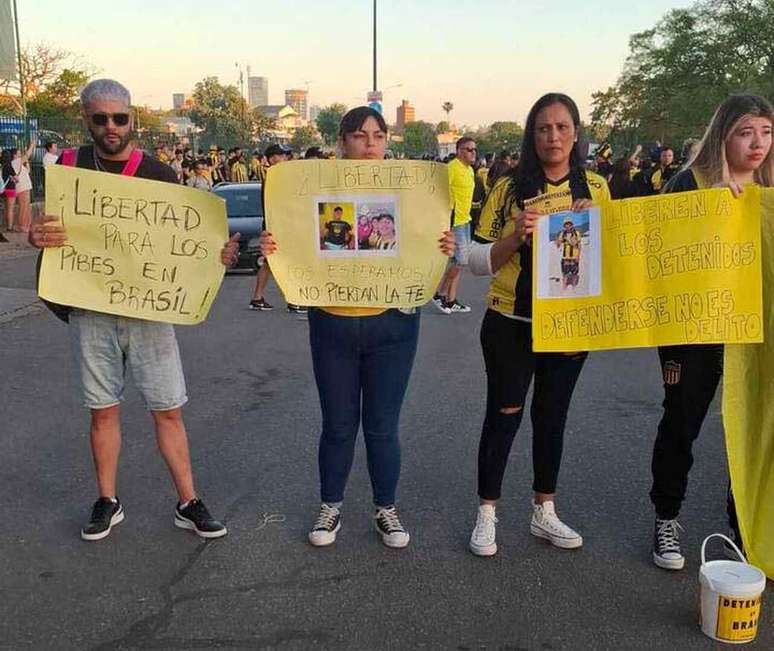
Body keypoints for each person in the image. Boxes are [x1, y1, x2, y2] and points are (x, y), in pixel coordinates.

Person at [28, 79, 240, 542]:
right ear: (85, 118)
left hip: (150, 311)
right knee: (102, 411)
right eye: (99, 117)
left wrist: (217, 257)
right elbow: (46, 230)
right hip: (90, 309)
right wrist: (36, 237)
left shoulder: (161, 175)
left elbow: (190, 245)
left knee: (168, 410)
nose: (110, 126)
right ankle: (107, 500)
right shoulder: (68, 169)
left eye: (118, 118)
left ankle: (189, 501)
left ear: (132, 120)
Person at [260, 106, 454, 549]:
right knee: (338, 425)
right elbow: (295, 242)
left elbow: (429, 243)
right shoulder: (311, 191)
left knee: (383, 426)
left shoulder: (412, 196)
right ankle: (331, 506)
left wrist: (439, 245)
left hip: (394, 327)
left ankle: (386, 508)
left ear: (387, 142)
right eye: (360, 135)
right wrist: (275, 246)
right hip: (332, 325)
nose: (370, 144)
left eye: (379, 136)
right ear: (342, 142)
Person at [465, 92, 610, 557]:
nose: (553, 136)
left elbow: (619, 253)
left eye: (562, 127)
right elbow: (473, 260)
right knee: (504, 416)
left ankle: (544, 509)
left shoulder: (596, 189)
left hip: (568, 323)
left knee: (552, 418)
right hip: (511, 320)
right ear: (532, 134)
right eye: (544, 128)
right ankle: (487, 512)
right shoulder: (508, 187)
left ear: (576, 133)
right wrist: (515, 236)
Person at [648, 94, 773, 571]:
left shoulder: (769, 190)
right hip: (694, 331)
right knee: (682, 422)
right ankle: (666, 517)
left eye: (765, 131)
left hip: (755, 331)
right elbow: (656, 256)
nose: (757, 143)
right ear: (723, 136)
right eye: (746, 131)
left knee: (753, 427)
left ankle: (744, 527)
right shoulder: (689, 185)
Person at [432, 137, 477, 314]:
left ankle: (450, 300)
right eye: (468, 149)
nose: (472, 153)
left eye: (474, 150)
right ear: (459, 151)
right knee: (461, 261)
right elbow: (438, 190)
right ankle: (439, 293)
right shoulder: (452, 168)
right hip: (454, 221)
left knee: (459, 263)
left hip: (465, 220)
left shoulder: (470, 170)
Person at [249, 144, 292, 312]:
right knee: (269, 262)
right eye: (276, 156)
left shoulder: (284, 176)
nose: (280, 159)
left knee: (272, 263)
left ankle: (258, 298)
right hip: (275, 224)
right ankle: (258, 298)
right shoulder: (272, 178)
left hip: (282, 223)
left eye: (282, 155)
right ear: (270, 159)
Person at [7, 138, 35, 233]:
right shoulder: (14, 162)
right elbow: (27, 155)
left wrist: (26, 162)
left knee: (26, 207)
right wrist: (31, 145)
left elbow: (27, 171)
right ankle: (22, 225)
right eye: (19, 153)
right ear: (14, 155)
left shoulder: (19, 163)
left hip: (25, 187)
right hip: (22, 188)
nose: (20, 154)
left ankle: (26, 224)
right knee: (24, 207)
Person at [556, 218, 581, 289]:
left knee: (574, 273)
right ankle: (564, 286)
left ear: (572, 225)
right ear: (564, 226)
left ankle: (574, 286)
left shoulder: (576, 233)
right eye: (566, 224)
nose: (568, 225)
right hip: (565, 257)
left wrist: (578, 256)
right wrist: (557, 241)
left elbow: (579, 245)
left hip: (574, 256)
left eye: (569, 224)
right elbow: (558, 245)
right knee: (564, 273)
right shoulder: (562, 233)